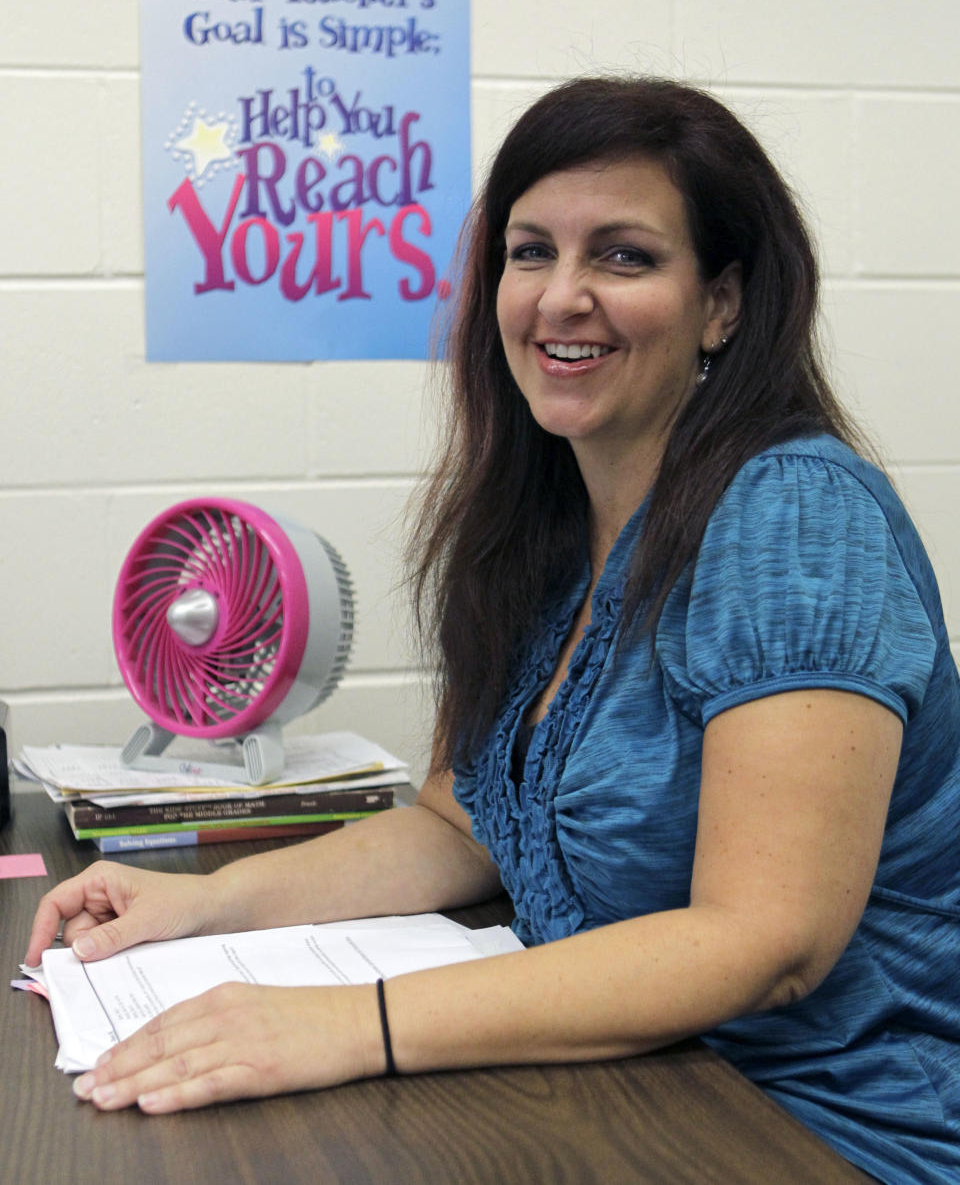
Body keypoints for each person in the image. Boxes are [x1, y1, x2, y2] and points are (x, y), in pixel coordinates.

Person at [27, 78, 960, 1184]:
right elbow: (464, 822)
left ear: (723, 303)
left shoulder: (796, 514)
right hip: (630, 1085)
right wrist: (204, 902)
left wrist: (351, 1024)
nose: (562, 297)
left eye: (623, 256)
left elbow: (767, 941)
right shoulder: (548, 529)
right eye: (530, 252)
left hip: (831, 1125)